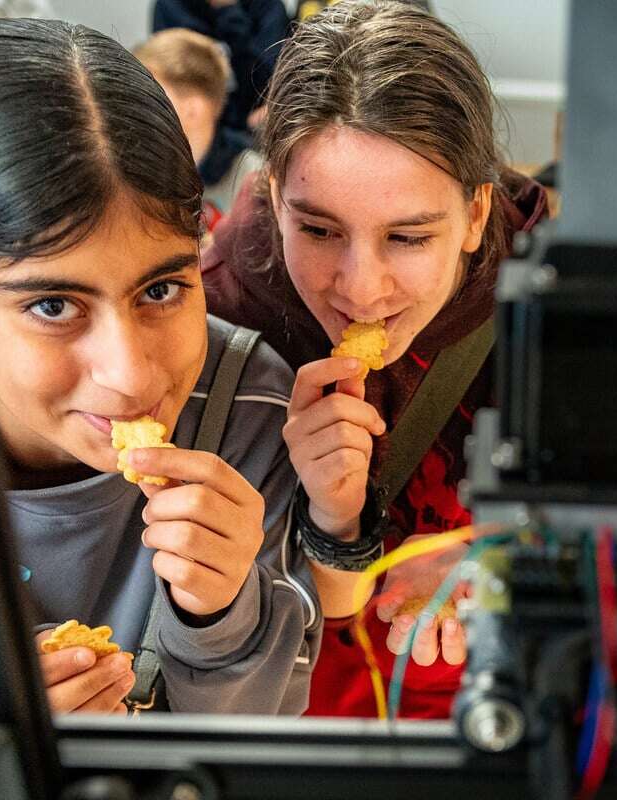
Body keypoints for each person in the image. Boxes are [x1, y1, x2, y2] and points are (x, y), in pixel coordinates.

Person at [0, 18, 319, 714]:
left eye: (161, 289)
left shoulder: (248, 416)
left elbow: (259, 746)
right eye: (52, 306)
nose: (131, 376)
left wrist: (223, 617)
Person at [202, 0, 548, 718]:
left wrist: (507, 557)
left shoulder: (558, 309)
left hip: (487, 713)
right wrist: (327, 523)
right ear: (272, 194)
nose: (360, 289)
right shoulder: (213, 318)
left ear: (477, 214)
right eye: (319, 229)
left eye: (409, 237)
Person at [151, 0, 289, 190]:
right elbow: (170, 80)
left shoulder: (267, 7)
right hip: (198, 135)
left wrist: (229, 12)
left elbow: (268, 83)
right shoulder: (170, 6)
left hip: (253, 132)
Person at [133, 27, 264, 226]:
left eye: (150, 94)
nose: (134, 106)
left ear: (192, 109)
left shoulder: (254, 174)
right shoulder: (132, 167)